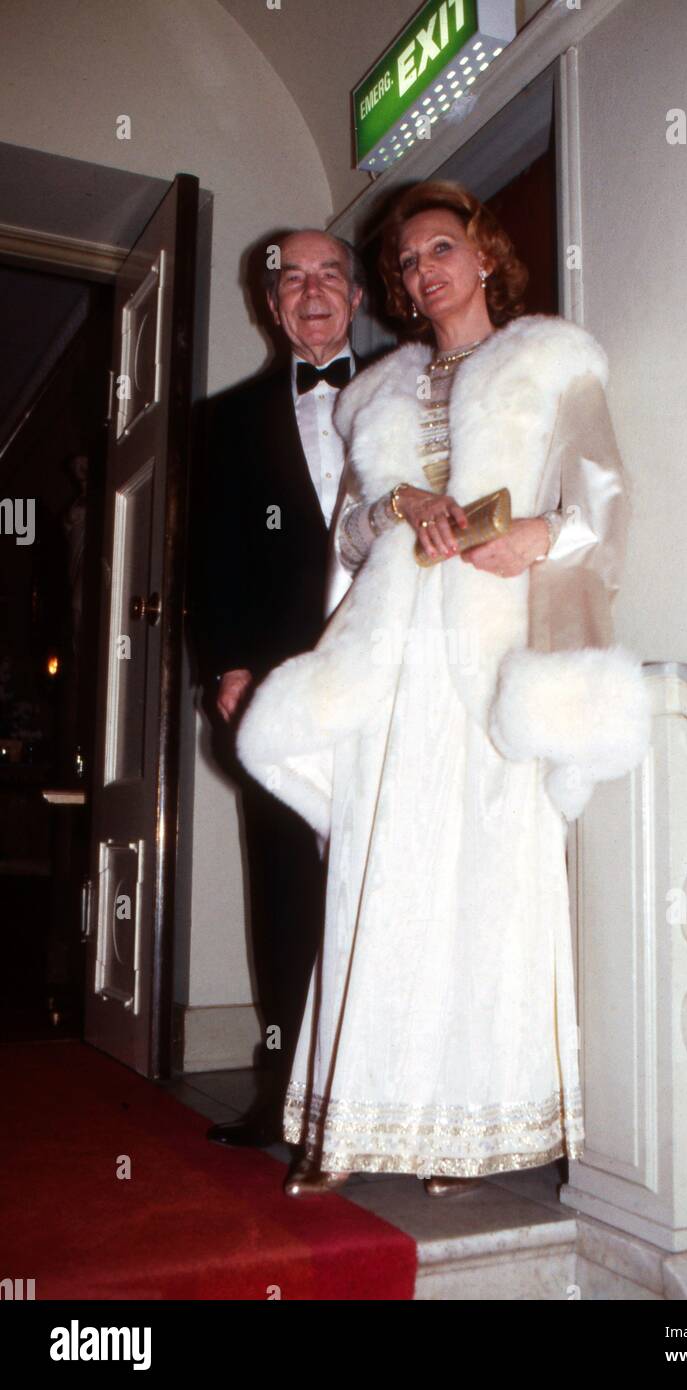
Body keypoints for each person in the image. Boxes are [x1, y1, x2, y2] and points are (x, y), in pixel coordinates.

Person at [236, 181, 650, 1194]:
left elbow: (602, 487)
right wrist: (396, 504)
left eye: (440, 248)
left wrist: (535, 534)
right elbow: (348, 530)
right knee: (380, 876)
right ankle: (352, 1127)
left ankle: (467, 1134)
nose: (423, 270)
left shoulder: (549, 360)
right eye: (407, 261)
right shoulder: (375, 389)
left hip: (490, 645)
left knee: (484, 885)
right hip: (392, 654)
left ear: (482, 254)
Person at [192, 229, 364, 1147]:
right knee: (287, 885)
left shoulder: (409, 391)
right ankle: (283, 1091)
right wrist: (225, 663)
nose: (310, 292)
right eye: (291, 278)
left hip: (387, 680)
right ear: (270, 304)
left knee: (385, 877)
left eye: (328, 274)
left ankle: (384, 1093)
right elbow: (207, 559)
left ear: (357, 296)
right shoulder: (223, 421)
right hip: (278, 692)